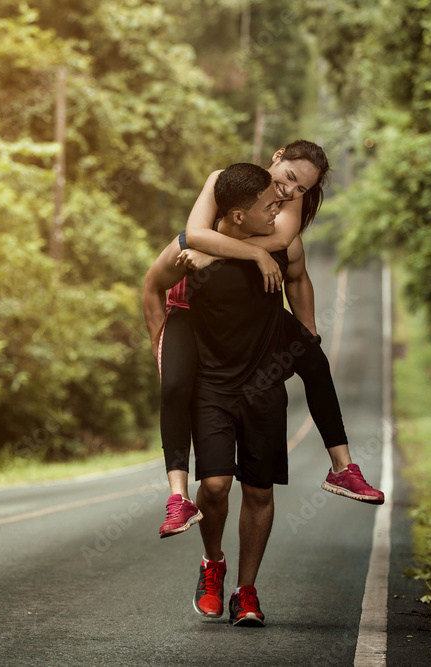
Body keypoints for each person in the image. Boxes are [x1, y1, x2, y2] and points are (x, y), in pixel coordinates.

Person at [142, 140, 383, 540]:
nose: (289, 193)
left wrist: (307, 330)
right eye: (289, 178)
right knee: (176, 386)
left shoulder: (287, 201)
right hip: (188, 310)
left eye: (302, 189)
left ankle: (343, 469)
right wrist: (158, 339)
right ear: (277, 157)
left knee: (315, 360)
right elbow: (195, 235)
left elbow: (280, 246)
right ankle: (178, 497)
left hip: (250, 307)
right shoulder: (222, 182)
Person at [184, 163, 295, 625]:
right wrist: (159, 348)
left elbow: (299, 269)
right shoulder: (195, 255)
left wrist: (306, 334)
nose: (281, 210)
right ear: (234, 215)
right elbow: (155, 281)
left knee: (259, 491)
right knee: (213, 485)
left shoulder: (282, 248)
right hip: (211, 385)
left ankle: (245, 591)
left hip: (263, 387)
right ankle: (213, 563)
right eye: (269, 206)